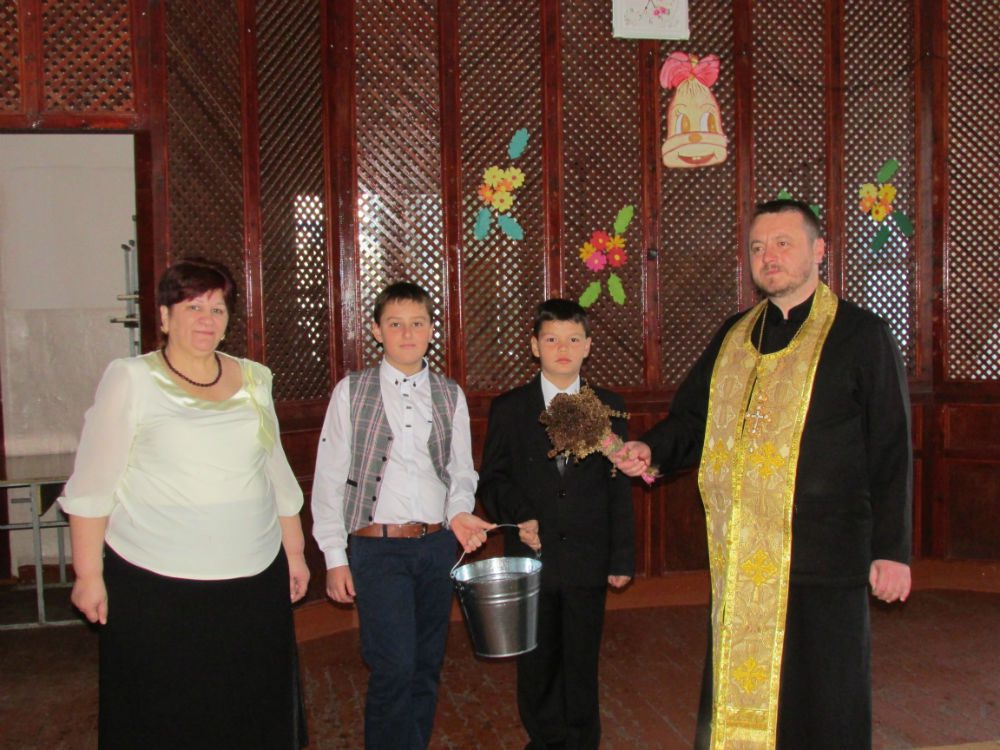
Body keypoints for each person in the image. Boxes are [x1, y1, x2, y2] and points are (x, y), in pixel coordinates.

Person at [614, 199, 912, 750]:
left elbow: (891, 447)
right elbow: (693, 419)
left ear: (819, 251)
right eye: (757, 247)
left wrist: (891, 550)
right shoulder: (735, 334)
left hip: (826, 558)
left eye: (782, 243)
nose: (768, 256)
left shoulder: (861, 334)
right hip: (744, 555)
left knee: (824, 700)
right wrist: (649, 449)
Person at [59, 258, 310, 749]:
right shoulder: (131, 379)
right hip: (157, 585)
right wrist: (88, 574)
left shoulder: (255, 378)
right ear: (165, 315)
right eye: (193, 306)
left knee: (248, 708)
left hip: (253, 579)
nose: (206, 319)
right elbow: (92, 484)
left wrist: (295, 553)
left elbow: (276, 472)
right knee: (168, 714)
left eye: (217, 309)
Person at [311, 281, 495, 750]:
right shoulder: (352, 391)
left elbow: (461, 471)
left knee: (426, 665)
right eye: (395, 324)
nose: (407, 333)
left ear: (432, 329)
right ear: (377, 330)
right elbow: (329, 477)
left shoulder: (449, 394)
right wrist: (334, 556)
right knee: (392, 666)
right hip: (376, 548)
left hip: (436, 547)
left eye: (417, 323)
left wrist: (459, 513)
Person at [478, 298, 635, 750]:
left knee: (582, 661)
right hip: (533, 558)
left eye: (572, 339)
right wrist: (519, 514)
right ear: (534, 346)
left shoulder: (608, 406)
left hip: (588, 557)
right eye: (551, 339)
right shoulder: (511, 408)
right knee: (537, 661)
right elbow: (493, 481)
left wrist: (621, 557)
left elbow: (619, 488)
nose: (562, 349)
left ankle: (583, 741)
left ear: (588, 346)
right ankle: (544, 740)